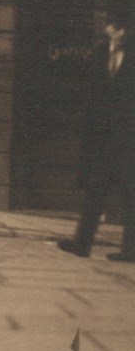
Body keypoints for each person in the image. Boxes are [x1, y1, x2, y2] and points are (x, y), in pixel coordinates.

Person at [59, 13, 135, 261]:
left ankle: (130, 251)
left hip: (128, 138)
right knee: (95, 191)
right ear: (108, 28)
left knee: (130, 195)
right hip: (102, 138)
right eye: (117, 28)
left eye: (125, 29)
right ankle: (82, 244)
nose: (122, 33)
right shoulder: (100, 54)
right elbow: (91, 90)